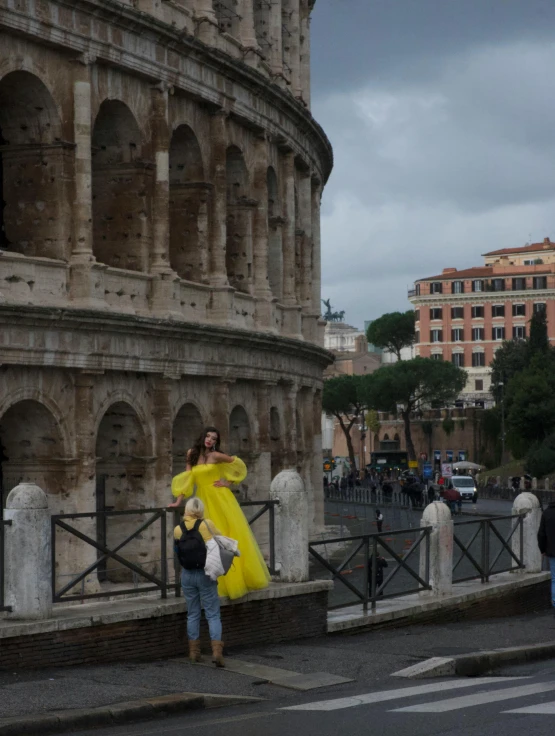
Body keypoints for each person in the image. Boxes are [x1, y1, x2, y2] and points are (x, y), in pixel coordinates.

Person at [169, 426, 270, 600]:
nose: (210, 440)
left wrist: (228, 483)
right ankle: (210, 581)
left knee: (225, 533)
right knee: (205, 538)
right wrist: (178, 501)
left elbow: (237, 464)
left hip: (220, 497)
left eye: (214, 438)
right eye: (208, 436)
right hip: (202, 498)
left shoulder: (216, 456)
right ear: (203, 437)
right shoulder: (191, 453)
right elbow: (187, 478)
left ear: (216, 442)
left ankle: (233, 579)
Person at [174, 497, 225, 666]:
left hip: (187, 574)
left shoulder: (178, 529)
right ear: (201, 510)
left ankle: (194, 652)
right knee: (212, 614)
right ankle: (217, 652)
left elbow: (177, 551)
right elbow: (221, 540)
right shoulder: (207, 524)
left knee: (193, 613)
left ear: (187, 510)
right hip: (205, 573)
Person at [537, 498, 555, 612]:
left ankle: (554, 602)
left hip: (552, 551)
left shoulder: (547, 513)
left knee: (554, 579)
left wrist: (542, 549)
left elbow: (541, 534)